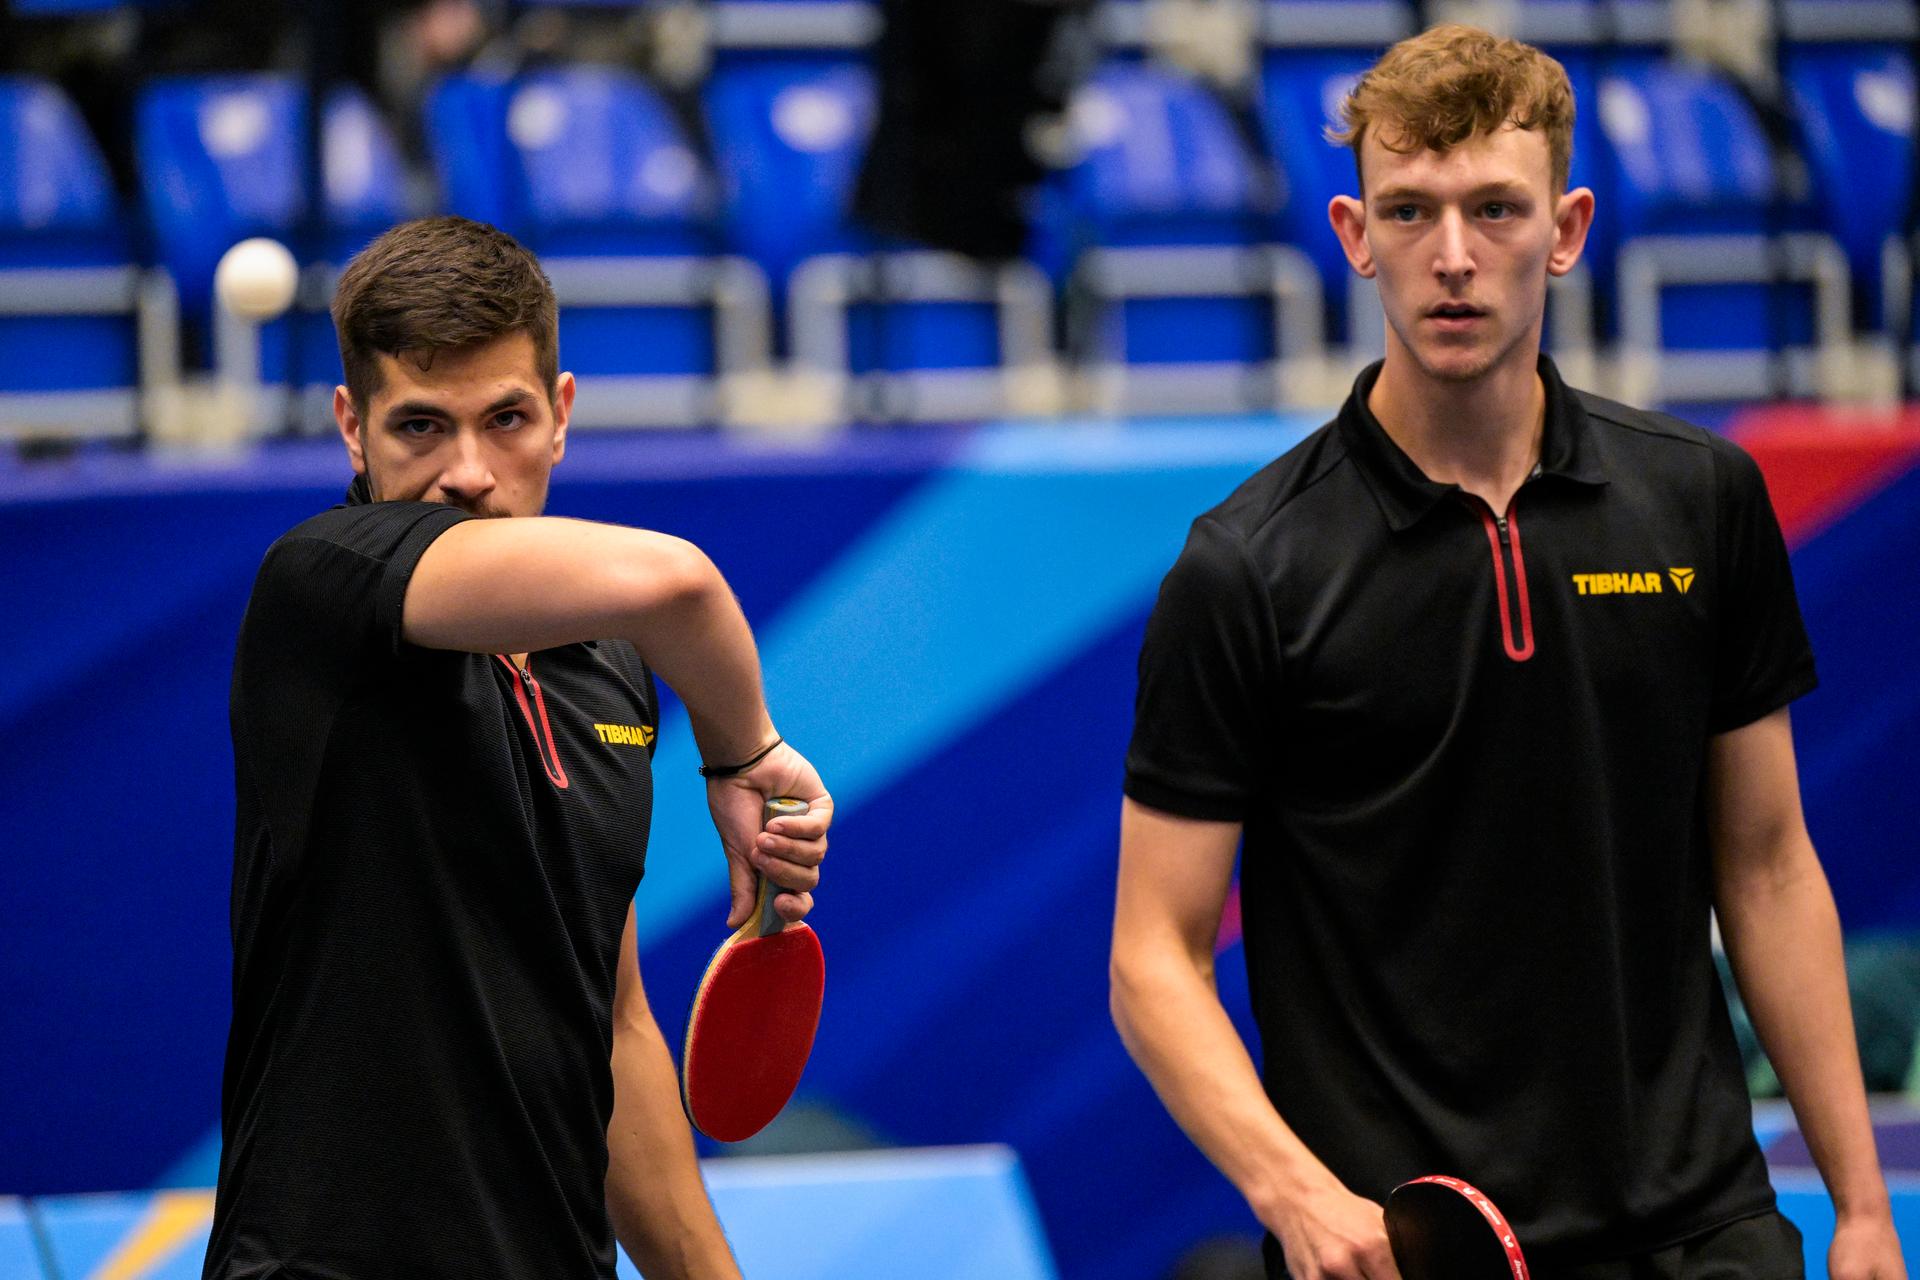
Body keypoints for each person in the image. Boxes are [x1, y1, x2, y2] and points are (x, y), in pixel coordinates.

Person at [1110, 25, 1905, 1280]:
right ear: (1354, 234)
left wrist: (1862, 1205)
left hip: (1702, 1230)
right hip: (1410, 1248)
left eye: (1495, 207)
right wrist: (1300, 1196)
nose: (1455, 256)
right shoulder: (1247, 567)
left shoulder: (1702, 500)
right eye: (1410, 212)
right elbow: (1153, 953)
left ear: (1570, 226)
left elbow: (1762, 862)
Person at [204, 215, 831, 1280]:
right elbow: (680, 583)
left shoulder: (610, 670)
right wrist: (743, 755)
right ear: (351, 428)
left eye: (506, 418)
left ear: (562, 415)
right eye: (420, 428)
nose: (468, 473)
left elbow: (617, 1022)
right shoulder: (319, 588)